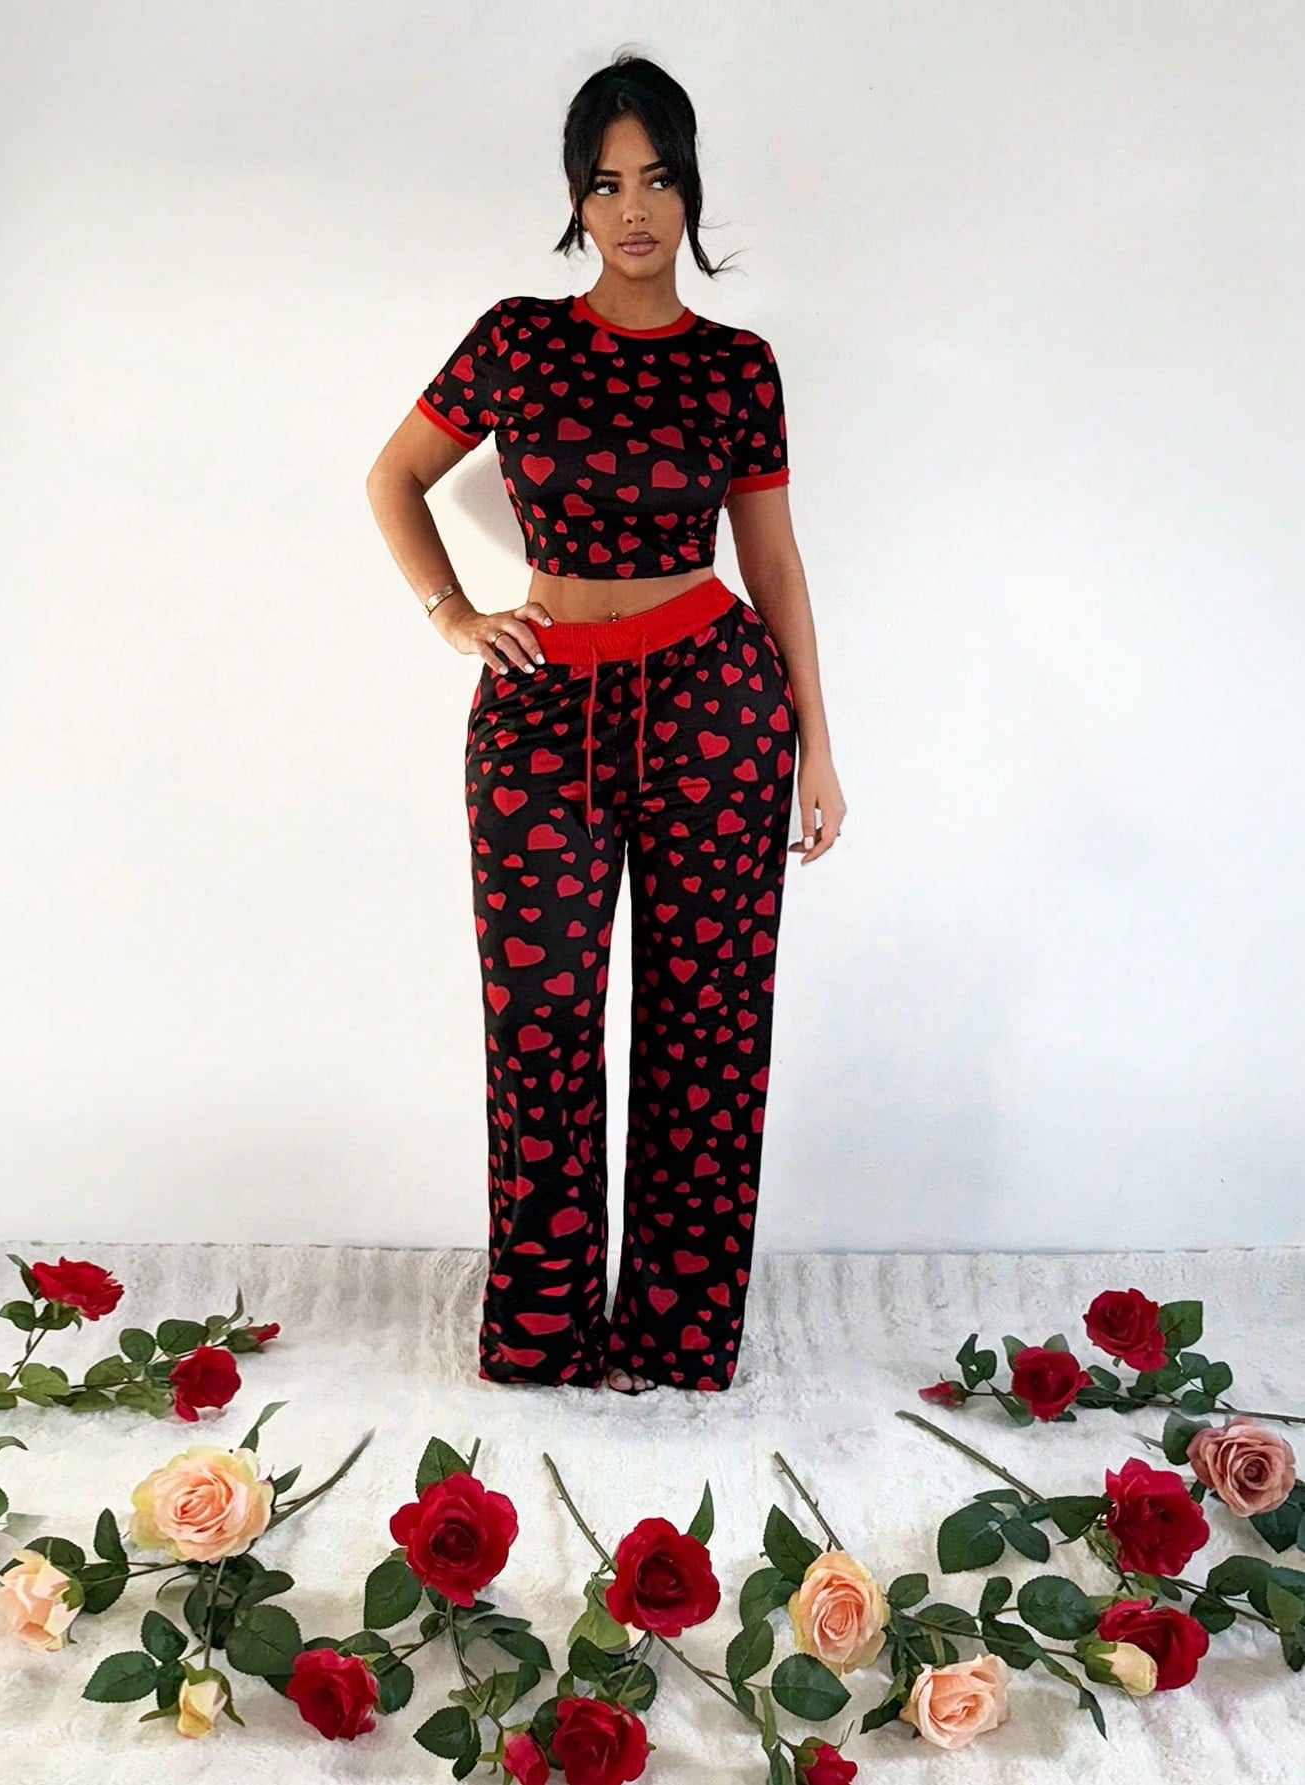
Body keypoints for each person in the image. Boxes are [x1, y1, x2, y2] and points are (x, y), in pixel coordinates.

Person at [366, 54, 844, 1395]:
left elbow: (774, 563)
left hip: (714, 708)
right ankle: (543, 1335)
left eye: (658, 178)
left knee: (708, 1030)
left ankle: (676, 1341)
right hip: (538, 711)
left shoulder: (738, 367)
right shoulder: (517, 339)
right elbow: (395, 477)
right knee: (541, 1028)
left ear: (691, 190)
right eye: (605, 182)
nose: (634, 208)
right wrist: (453, 613)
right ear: (577, 200)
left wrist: (816, 742)